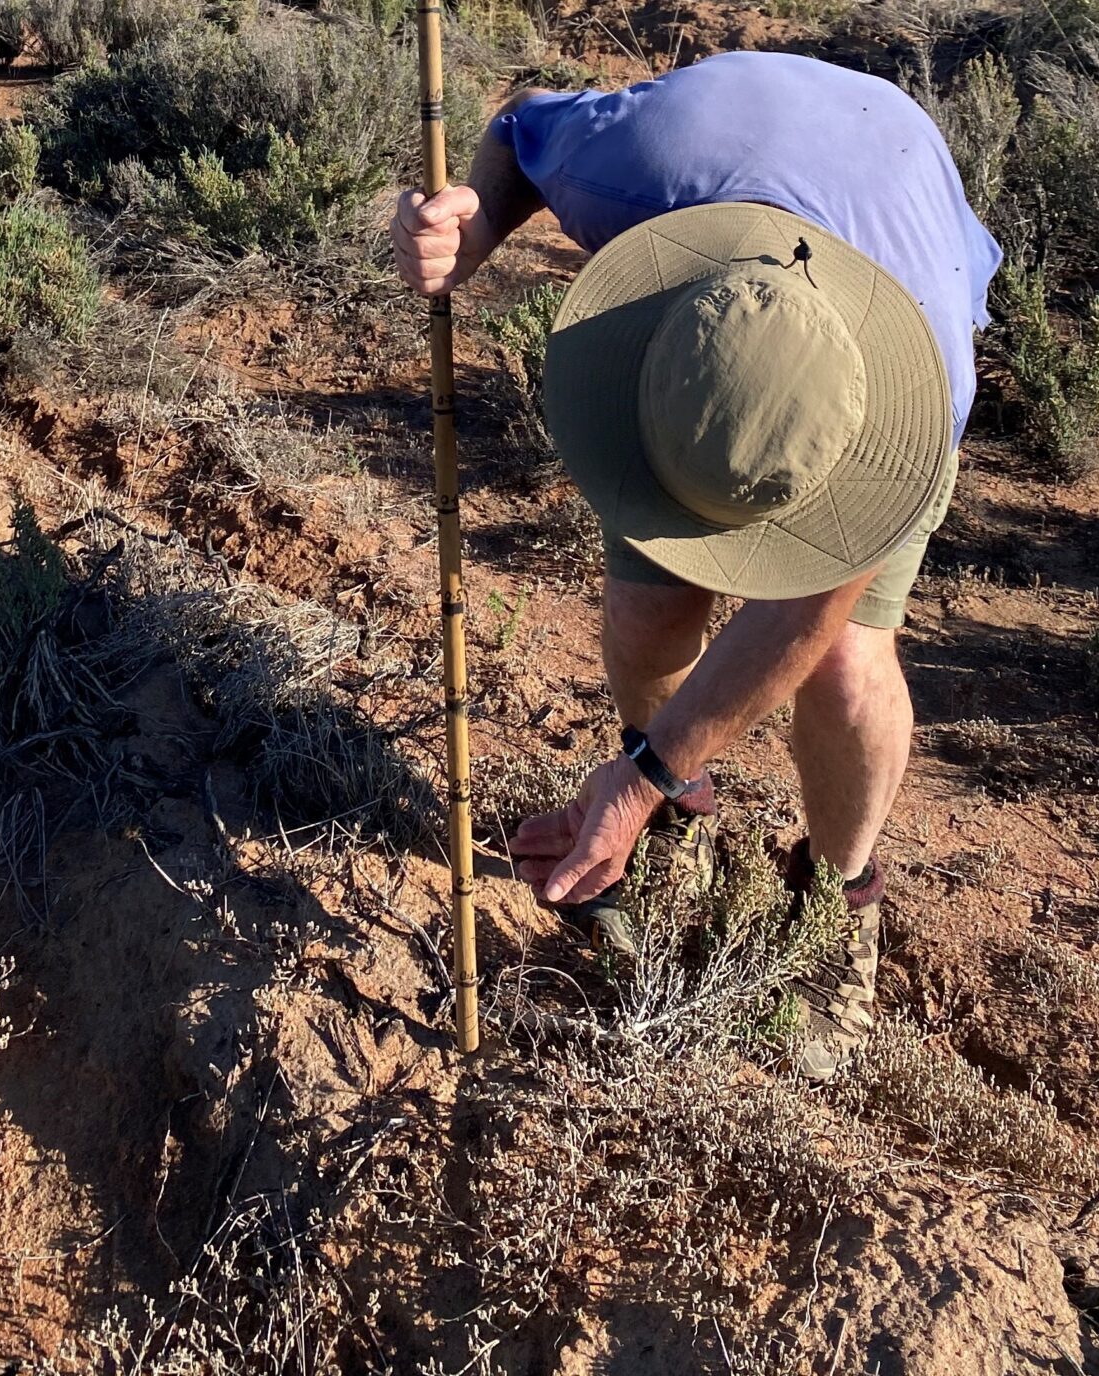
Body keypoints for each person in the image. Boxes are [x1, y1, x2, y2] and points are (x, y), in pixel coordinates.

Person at [391, 52, 1001, 1079]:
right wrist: (470, 229)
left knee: (847, 663)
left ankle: (838, 903)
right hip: (724, 225)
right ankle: (681, 818)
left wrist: (632, 782)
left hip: (894, 235)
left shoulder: (914, 386)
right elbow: (520, 132)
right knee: (647, 610)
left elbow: (806, 617)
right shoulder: (631, 169)